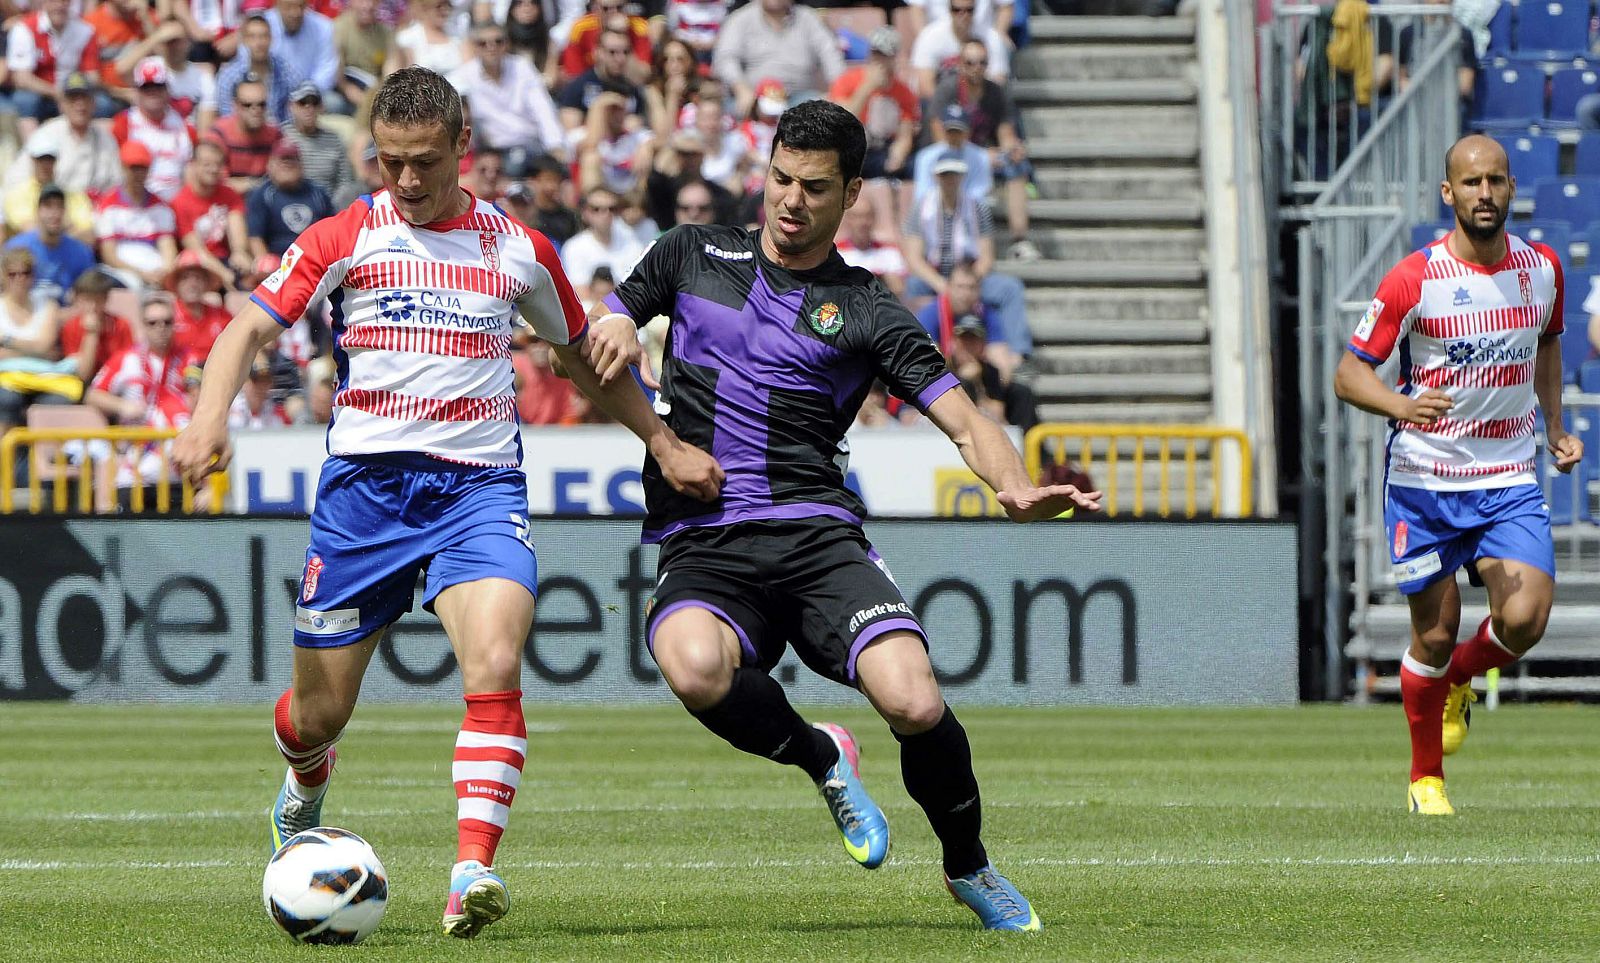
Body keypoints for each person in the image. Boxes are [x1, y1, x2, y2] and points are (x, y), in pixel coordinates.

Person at [170, 65, 720, 941]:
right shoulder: (344, 234)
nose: (409, 182)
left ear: (463, 146)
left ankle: (473, 869)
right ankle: (305, 783)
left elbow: (581, 356)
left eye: (425, 161)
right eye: (391, 163)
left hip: (477, 488)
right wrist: (209, 420)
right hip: (362, 499)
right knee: (316, 713)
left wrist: (662, 440)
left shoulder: (519, 250)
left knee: (495, 662)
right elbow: (245, 328)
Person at [582, 99, 1097, 931]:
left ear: (852, 192)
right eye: (781, 178)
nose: (790, 200)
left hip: (818, 536)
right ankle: (821, 754)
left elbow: (962, 417)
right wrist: (612, 315)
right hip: (705, 539)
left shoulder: (864, 306)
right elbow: (608, 321)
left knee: (915, 702)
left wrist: (1012, 484)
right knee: (690, 666)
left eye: (814, 187)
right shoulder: (690, 251)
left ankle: (969, 866)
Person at [1333, 134, 1579, 817]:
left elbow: (1549, 344)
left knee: (1525, 617)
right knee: (1435, 633)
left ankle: (1460, 683)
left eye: (1496, 181)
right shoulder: (1414, 279)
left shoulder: (1543, 270)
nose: (1485, 194)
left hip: (1506, 473)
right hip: (1425, 477)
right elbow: (1348, 374)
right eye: (1471, 183)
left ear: (1511, 189)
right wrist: (1401, 404)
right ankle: (1426, 778)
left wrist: (1554, 426)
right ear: (1449, 193)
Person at [712, 0, 842, 118]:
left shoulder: (808, 18)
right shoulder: (740, 18)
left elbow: (830, 55)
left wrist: (840, 90)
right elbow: (725, 58)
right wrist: (740, 88)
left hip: (799, 97)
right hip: (753, 98)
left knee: (825, 113)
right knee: (723, 111)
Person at [95, 140, 179, 291]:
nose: (138, 174)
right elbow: (109, 255)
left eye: (143, 168)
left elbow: (168, 249)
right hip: (122, 273)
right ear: (123, 168)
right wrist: (141, 274)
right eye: (133, 168)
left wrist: (165, 273)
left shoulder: (160, 207)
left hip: (156, 271)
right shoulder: (108, 206)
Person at [171, 139, 254, 284]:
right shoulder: (180, 201)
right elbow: (194, 248)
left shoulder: (229, 194)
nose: (214, 169)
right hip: (197, 265)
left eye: (218, 164)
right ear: (194, 165)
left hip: (226, 259)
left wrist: (239, 252)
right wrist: (223, 274)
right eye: (207, 164)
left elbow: (237, 225)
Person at [5, 183, 96, 306]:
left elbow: (89, 297)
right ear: (37, 211)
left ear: (65, 212)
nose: (54, 213)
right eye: (48, 206)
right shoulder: (16, 248)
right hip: (25, 317)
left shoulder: (81, 252)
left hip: (65, 317)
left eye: (59, 206)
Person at [283, 83, 360, 207]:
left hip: (328, 207)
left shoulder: (334, 140)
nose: (309, 108)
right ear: (291, 106)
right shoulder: (282, 137)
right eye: (302, 103)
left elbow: (345, 182)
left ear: (321, 107)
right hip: (290, 203)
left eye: (314, 103)